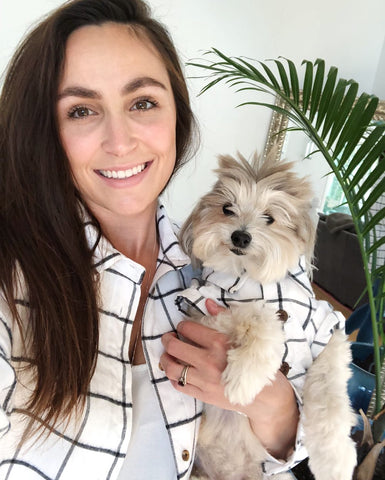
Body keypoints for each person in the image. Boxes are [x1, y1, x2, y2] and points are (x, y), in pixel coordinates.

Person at [0, 0, 306, 478]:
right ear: (44, 130)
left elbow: (283, 451)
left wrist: (278, 409)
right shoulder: (10, 280)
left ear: (177, 118)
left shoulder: (216, 271)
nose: (120, 141)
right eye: (81, 110)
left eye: (142, 102)